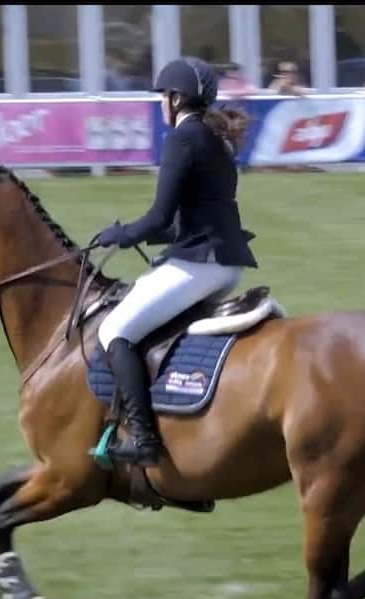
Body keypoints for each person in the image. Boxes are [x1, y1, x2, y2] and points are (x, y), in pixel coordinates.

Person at [91, 57, 258, 466]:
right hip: (224, 262)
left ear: (177, 98)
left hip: (201, 264)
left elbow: (159, 218)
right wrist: (137, 232)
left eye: (163, 96)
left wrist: (123, 234)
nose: (160, 104)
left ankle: (145, 441)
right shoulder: (214, 138)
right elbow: (183, 222)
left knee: (115, 330)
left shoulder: (183, 139)